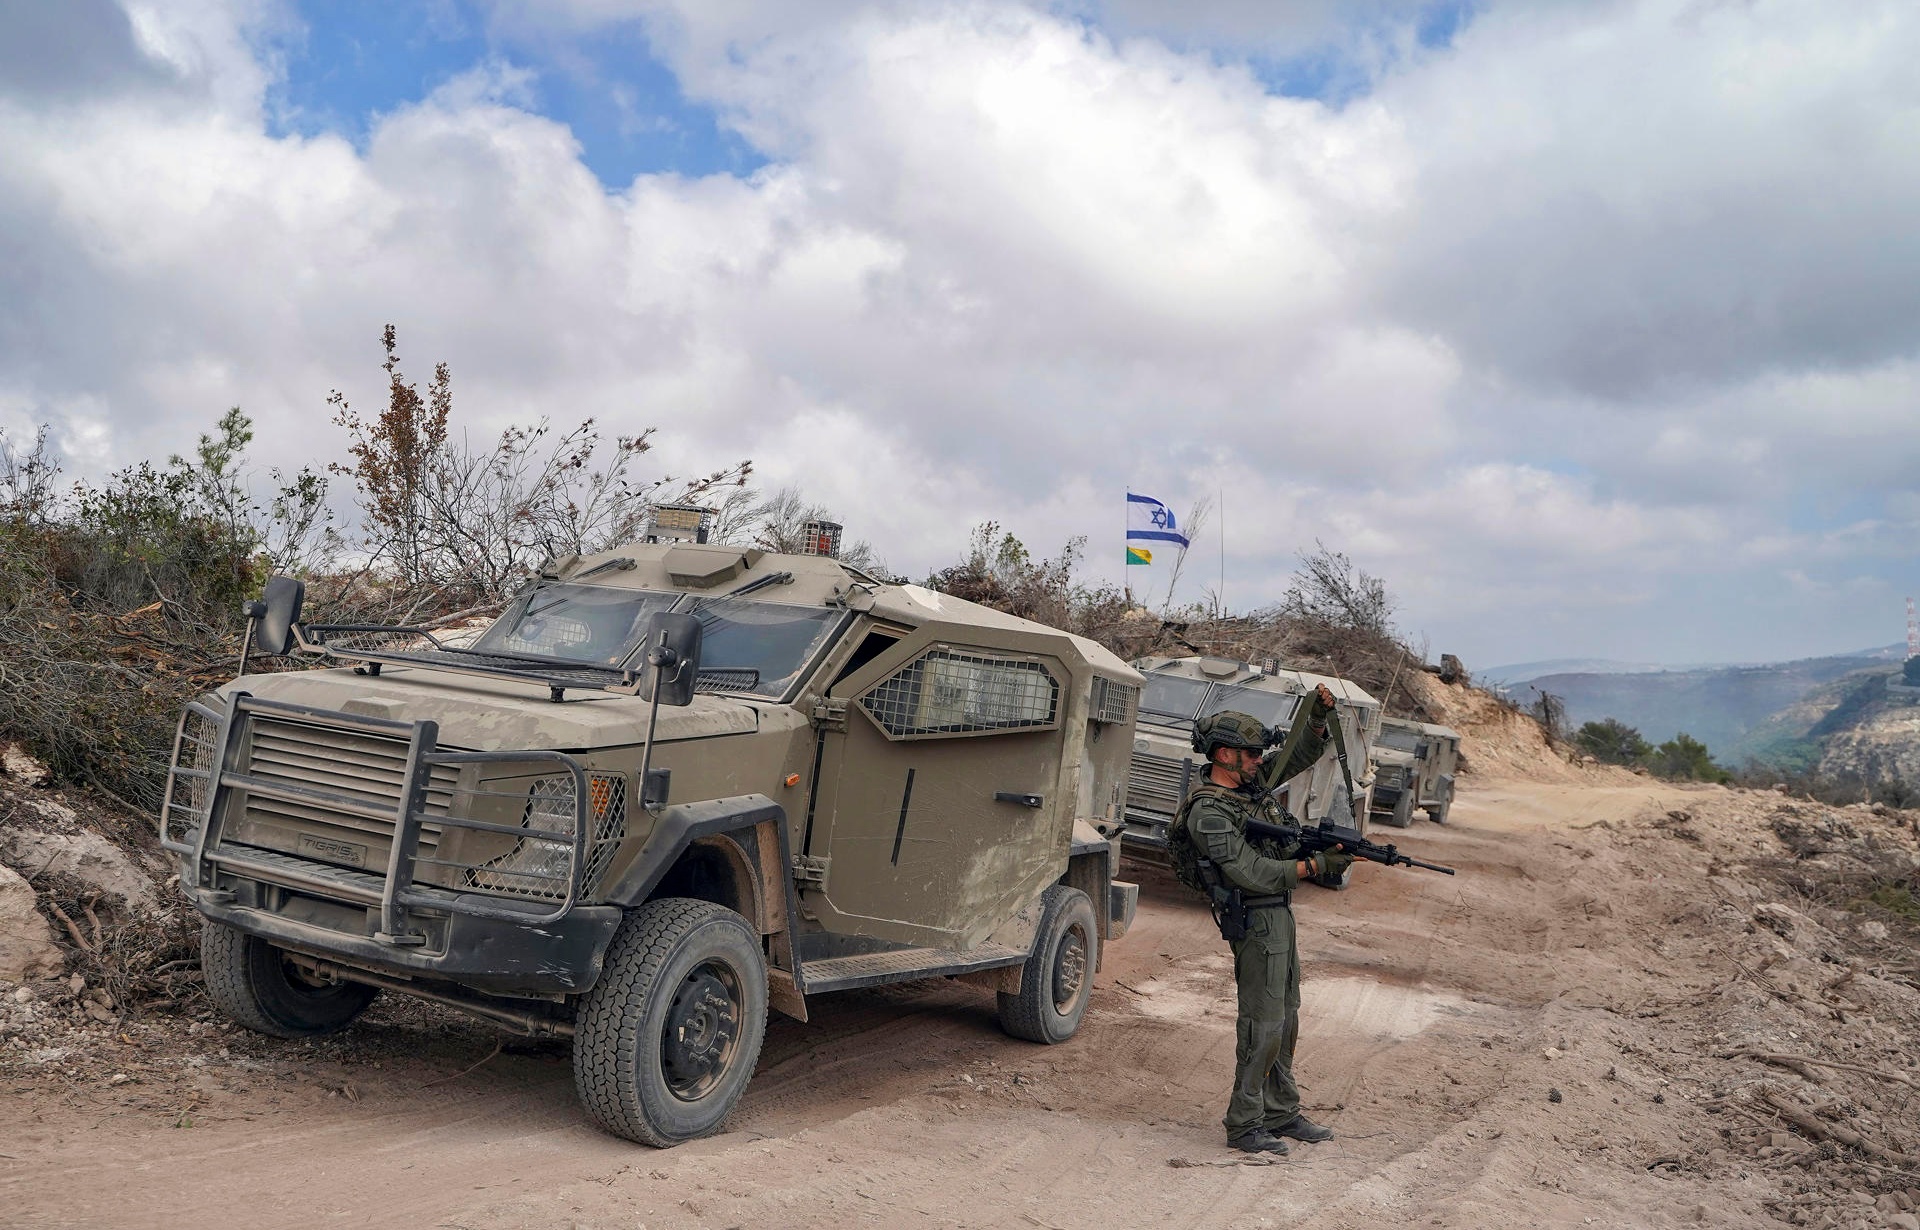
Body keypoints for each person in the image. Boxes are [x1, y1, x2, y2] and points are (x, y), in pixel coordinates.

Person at [1168, 686, 1357, 1155]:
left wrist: (1316, 720)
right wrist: (1314, 868)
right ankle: (1245, 1121)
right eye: (1251, 754)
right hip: (1255, 919)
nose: (1258, 761)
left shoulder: (1248, 791)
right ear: (1225, 754)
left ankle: (1281, 1110)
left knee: (1287, 1018)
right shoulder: (1210, 810)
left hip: (1279, 918)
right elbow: (1251, 873)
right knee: (1263, 1023)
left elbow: (1295, 757)